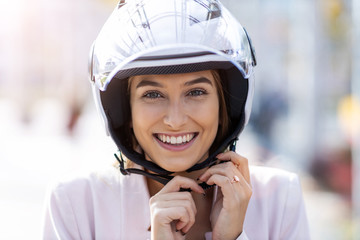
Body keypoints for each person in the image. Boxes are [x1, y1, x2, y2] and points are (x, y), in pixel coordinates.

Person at [42, 0, 310, 239]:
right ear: (125, 110)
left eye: (196, 92)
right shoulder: (74, 206)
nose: (175, 119)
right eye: (153, 94)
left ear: (225, 105)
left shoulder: (279, 200)